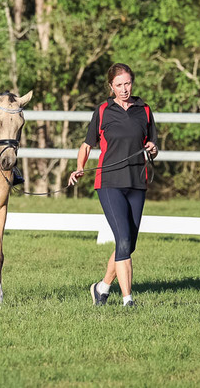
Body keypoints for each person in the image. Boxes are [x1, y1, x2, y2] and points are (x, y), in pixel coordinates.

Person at [68, 63, 158, 307]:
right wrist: (79, 166)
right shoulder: (103, 110)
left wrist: (153, 148)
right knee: (124, 240)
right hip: (109, 182)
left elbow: (152, 144)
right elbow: (87, 144)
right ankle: (128, 300)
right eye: (119, 85)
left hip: (137, 182)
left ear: (132, 82)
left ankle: (102, 287)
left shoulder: (145, 110)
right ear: (111, 87)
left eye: (127, 83)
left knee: (128, 242)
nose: (124, 89)